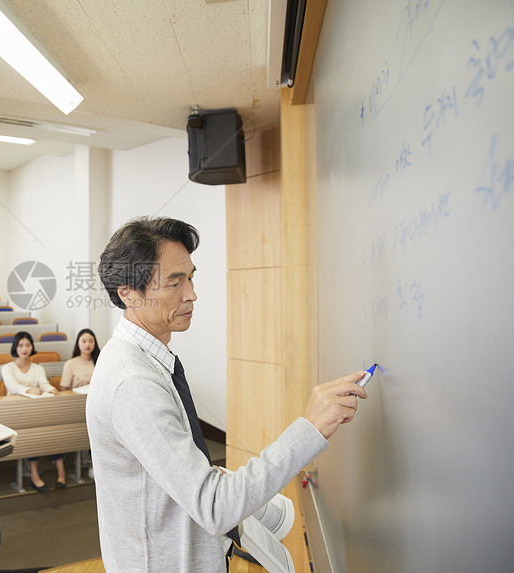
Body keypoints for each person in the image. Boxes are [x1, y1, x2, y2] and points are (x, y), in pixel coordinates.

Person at [87, 216, 367, 572]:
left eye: (190, 277)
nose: (191, 293)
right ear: (128, 292)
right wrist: (310, 427)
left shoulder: (144, 358)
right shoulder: (133, 383)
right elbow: (215, 508)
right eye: (174, 283)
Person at [1, 331, 64, 491]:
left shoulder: (38, 368)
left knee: (54, 429)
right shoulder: (7, 367)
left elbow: (44, 383)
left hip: (36, 409)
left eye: (28, 345)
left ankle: (61, 472)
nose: (24, 348)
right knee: (31, 432)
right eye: (21, 345)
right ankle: (34, 473)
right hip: (15, 411)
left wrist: (51, 389)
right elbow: (12, 386)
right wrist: (29, 391)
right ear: (15, 347)